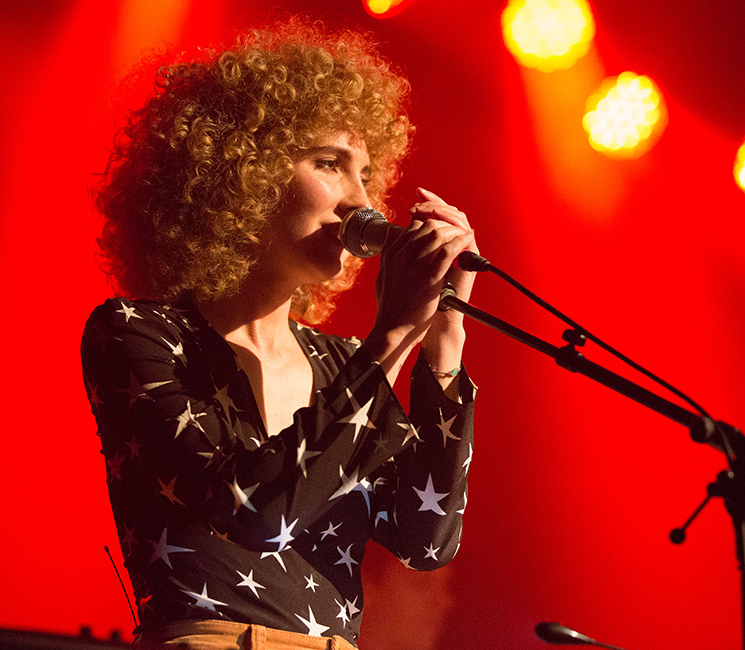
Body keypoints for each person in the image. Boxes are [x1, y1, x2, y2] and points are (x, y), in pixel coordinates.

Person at [81, 18, 477, 650]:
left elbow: (426, 538)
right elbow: (254, 509)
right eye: (330, 164)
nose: (361, 201)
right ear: (240, 173)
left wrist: (442, 346)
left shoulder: (339, 363)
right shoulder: (139, 333)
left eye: (367, 173)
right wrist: (390, 336)